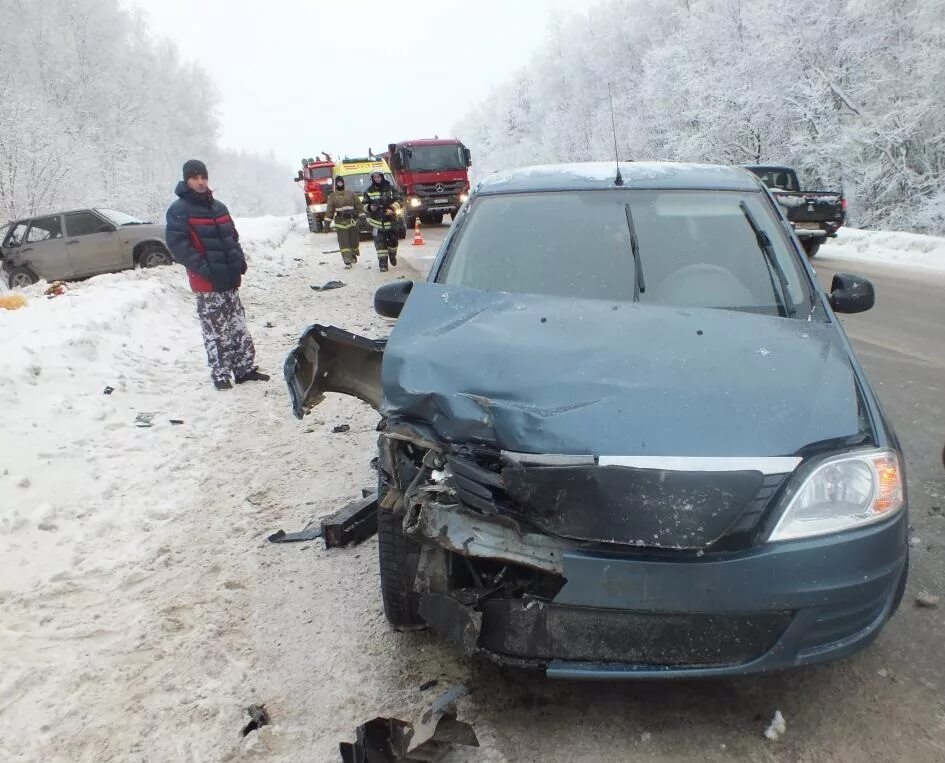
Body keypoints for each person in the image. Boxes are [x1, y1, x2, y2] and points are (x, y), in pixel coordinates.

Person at [165, 159, 269, 390]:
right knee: (216, 331)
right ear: (187, 180)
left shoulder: (219, 207)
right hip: (207, 283)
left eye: (203, 177)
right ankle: (221, 374)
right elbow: (178, 246)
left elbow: (232, 237)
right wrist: (204, 268)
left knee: (237, 326)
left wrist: (239, 260)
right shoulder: (179, 211)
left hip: (230, 279)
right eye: (195, 178)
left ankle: (244, 368)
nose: (200, 182)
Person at [363, 170, 403, 272]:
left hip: (391, 222)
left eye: (378, 177)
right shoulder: (369, 191)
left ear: (382, 177)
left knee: (393, 244)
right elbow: (364, 205)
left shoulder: (390, 188)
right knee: (380, 246)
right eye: (375, 177)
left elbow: (400, 200)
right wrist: (370, 208)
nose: (377, 179)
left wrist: (392, 209)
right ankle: (383, 265)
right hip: (377, 223)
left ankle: (392, 255)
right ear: (372, 179)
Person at [325, 176, 364, 269]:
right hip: (340, 222)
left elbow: (359, 206)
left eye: (341, 182)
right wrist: (326, 224)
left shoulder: (351, 194)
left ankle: (353, 253)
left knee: (353, 241)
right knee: (344, 243)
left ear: (343, 183)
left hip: (352, 221)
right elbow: (329, 210)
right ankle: (347, 260)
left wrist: (362, 217)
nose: (339, 184)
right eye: (338, 182)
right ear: (335, 184)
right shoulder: (332, 196)